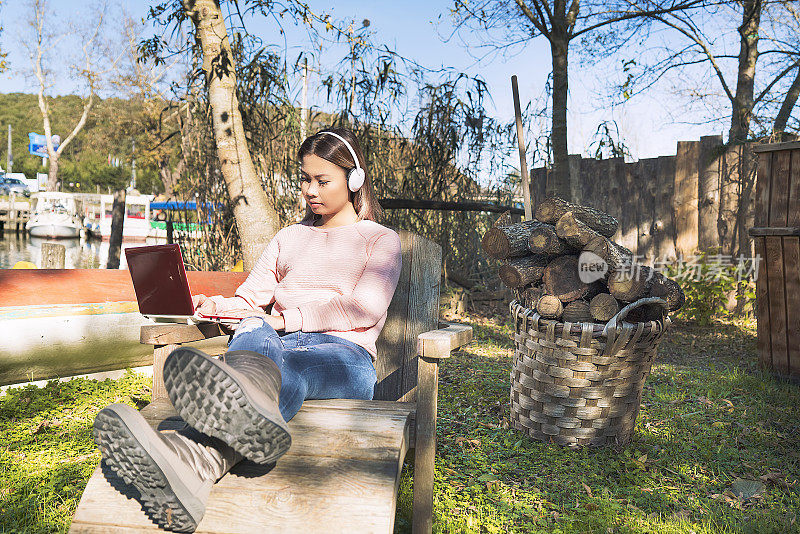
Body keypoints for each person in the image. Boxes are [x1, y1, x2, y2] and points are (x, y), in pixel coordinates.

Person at [92, 127, 403, 533]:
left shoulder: (380, 240)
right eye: (305, 179)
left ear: (354, 179)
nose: (310, 190)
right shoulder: (289, 237)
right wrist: (215, 307)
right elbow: (251, 299)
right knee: (255, 326)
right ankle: (198, 464)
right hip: (276, 345)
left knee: (282, 365)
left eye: (322, 180)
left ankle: (185, 451)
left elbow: (363, 308)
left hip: (344, 358)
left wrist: (285, 320)